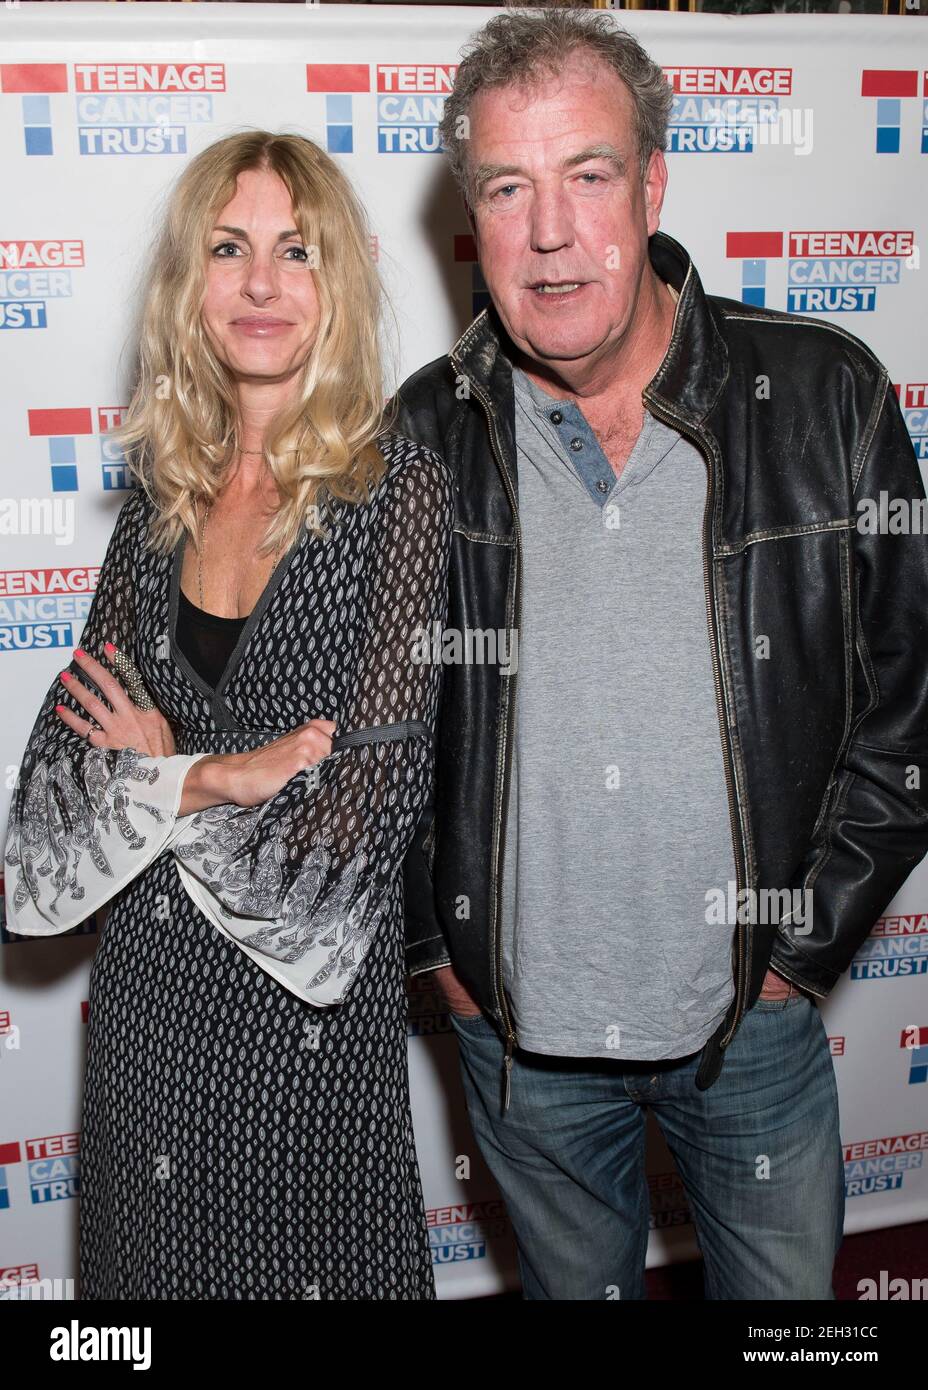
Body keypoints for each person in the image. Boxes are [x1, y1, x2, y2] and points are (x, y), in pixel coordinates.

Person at [392, 9, 928, 1299]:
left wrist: (796, 959)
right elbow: (378, 740)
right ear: (472, 213)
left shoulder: (821, 394)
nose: (551, 229)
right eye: (507, 187)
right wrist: (438, 962)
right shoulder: (422, 430)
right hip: (519, 1046)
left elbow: (907, 709)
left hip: (752, 1028)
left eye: (588, 174)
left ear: (652, 184)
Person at [4, 130, 452, 1300]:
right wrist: (215, 779)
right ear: (188, 284)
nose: (261, 284)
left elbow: (343, 867)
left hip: (299, 1048)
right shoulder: (161, 502)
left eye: (295, 251)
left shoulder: (398, 495)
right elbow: (42, 844)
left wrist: (154, 782)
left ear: (335, 282)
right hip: (148, 1010)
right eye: (229, 248)